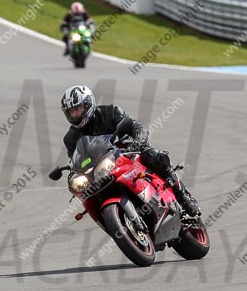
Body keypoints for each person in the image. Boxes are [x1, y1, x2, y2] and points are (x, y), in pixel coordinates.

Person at [61, 85, 200, 218]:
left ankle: (184, 198)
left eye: (76, 108)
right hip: (101, 168)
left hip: (128, 153)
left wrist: (137, 143)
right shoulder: (70, 138)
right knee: (88, 194)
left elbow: (137, 127)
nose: (74, 114)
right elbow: (76, 160)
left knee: (154, 156)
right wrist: (75, 173)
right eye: (70, 112)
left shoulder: (110, 111)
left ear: (87, 104)